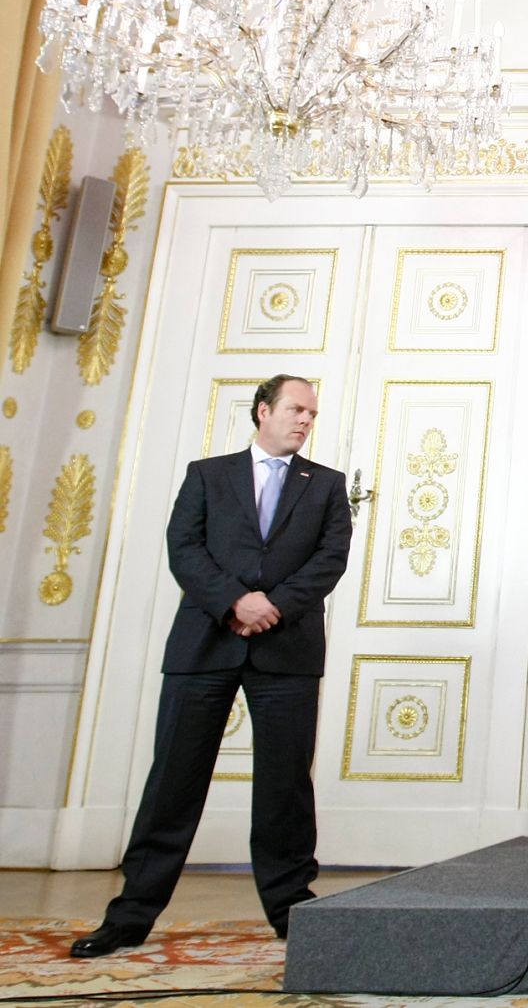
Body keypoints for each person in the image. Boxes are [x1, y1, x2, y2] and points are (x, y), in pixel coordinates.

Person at [72, 375, 353, 956]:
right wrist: (235, 601)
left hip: (287, 651)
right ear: (263, 411)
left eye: (312, 414)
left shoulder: (325, 485)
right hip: (204, 646)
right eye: (296, 409)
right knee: (173, 780)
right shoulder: (208, 474)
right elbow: (185, 547)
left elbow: (331, 559)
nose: (305, 420)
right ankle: (130, 917)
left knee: (285, 787)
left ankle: (292, 912)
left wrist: (272, 606)